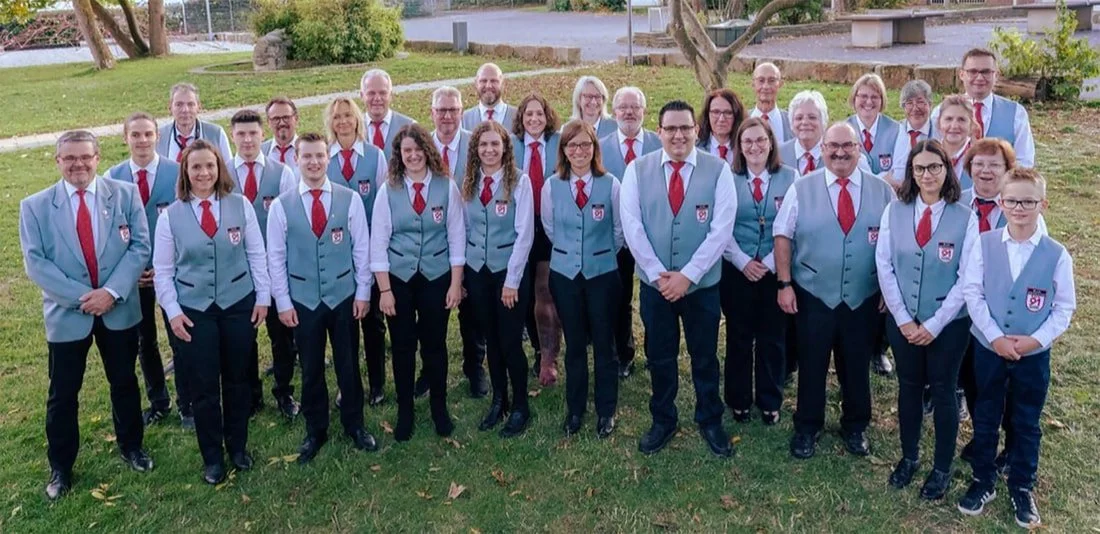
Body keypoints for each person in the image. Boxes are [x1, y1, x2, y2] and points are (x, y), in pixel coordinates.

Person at [20, 130, 154, 500]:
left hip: (118, 310)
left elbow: (140, 245)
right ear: (57, 161)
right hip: (68, 315)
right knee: (63, 394)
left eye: (85, 157)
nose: (78, 164)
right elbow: (36, 264)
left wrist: (111, 292)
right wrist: (84, 298)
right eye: (69, 158)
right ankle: (61, 467)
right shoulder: (35, 206)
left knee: (124, 382)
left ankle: (132, 447)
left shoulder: (124, 195)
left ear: (98, 157)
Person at [957, 168, 1075, 529]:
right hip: (989, 348)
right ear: (1001, 203)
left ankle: (1022, 485)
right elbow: (972, 292)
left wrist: (1035, 340)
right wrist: (994, 336)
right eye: (1012, 201)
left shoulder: (1057, 254)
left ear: (1043, 204)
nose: (1019, 208)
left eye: (1028, 201)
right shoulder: (985, 243)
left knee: (1026, 421)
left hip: (1032, 355)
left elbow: (1064, 307)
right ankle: (983, 480)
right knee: (987, 413)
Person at [620, 100, 736, 458]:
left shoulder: (719, 171)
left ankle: (710, 418)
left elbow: (721, 230)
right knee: (660, 354)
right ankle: (663, 418)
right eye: (670, 129)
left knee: (704, 355)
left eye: (685, 128)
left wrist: (688, 276)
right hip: (656, 287)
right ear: (659, 132)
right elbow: (632, 227)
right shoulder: (637, 171)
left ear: (696, 131)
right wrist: (658, 275)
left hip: (701, 286)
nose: (678, 135)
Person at [774, 122, 895, 460]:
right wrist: (784, 283)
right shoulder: (802, 188)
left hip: (862, 293)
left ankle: (855, 425)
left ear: (860, 149)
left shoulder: (882, 191)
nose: (840, 152)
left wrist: (888, 288)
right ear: (823, 149)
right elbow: (782, 235)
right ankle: (807, 427)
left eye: (848, 146)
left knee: (856, 362)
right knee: (812, 361)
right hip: (814, 291)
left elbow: (892, 243)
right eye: (833, 146)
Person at [153, 139, 269, 485]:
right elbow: (162, 271)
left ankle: (238, 447)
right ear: (185, 174)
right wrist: (173, 312)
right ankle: (213, 458)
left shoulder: (240, 205)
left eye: (209, 166)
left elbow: (257, 254)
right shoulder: (169, 217)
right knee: (204, 388)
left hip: (237, 304)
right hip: (194, 311)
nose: (204, 173)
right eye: (196, 167)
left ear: (219, 168)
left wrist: (262, 297)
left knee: (237, 381)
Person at [267, 132, 379, 463]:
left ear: (327, 160)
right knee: (311, 366)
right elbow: (276, 257)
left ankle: (355, 424)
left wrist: (363, 292)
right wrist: (283, 302)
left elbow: (362, 248)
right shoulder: (282, 206)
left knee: (348, 364)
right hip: (303, 300)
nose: (314, 162)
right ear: (295, 160)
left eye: (319, 156)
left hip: (343, 296)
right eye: (307, 157)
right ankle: (315, 429)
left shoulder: (349, 199)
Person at [876, 139, 978, 500]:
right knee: (909, 387)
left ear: (947, 170)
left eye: (935, 167)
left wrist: (934, 324)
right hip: (902, 320)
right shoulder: (895, 211)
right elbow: (884, 264)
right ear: (911, 173)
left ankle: (941, 467)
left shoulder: (966, 217)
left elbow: (968, 278)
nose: (927, 174)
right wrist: (903, 319)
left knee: (944, 390)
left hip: (948, 325)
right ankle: (909, 456)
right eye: (920, 168)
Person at [370, 124, 466, 441]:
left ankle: (439, 407)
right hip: (398, 278)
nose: (413, 156)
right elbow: (379, 242)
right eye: (406, 151)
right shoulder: (389, 189)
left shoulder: (445, 186)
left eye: (417, 149)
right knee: (402, 346)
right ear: (399, 156)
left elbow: (456, 236)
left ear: (428, 151)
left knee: (435, 345)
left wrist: (455, 283)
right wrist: (384, 290)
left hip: (437, 277)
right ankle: (405, 412)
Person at [106, 112, 187, 428]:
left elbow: (186, 221)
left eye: (148, 134)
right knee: (144, 341)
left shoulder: (176, 171)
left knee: (178, 335)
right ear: (125, 138)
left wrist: (166, 265)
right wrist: (131, 269)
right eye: (135, 135)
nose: (142, 141)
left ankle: (187, 403)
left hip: (172, 270)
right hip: (132, 276)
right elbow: (109, 229)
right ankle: (158, 400)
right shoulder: (112, 178)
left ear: (157, 136)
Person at [543, 120, 623, 439]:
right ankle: (575, 409)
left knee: (605, 343)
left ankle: (606, 410)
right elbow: (550, 227)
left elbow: (619, 231)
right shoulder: (552, 186)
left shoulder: (610, 184)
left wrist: (598, 253)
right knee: (575, 344)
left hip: (603, 273)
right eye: (572, 145)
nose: (579, 151)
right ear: (564, 150)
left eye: (585, 145)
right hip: (565, 275)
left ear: (594, 148)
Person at [721, 117, 796, 426]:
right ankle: (738, 399)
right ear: (739, 146)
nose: (754, 147)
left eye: (760, 140)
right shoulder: (726, 177)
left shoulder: (791, 177)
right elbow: (720, 227)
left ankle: (769, 399)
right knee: (738, 336)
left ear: (771, 142)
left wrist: (767, 262)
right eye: (747, 141)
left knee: (772, 337)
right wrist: (741, 261)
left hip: (774, 270)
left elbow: (794, 225)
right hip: (736, 269)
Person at [462, 121, 535, 437]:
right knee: (490, 338)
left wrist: (512, 281)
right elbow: (463, 228)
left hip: (509, 272)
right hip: (478, 271)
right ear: (475, 150)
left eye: (495, 144)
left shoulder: (519, 182)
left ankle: (520, 404)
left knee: (509, 340)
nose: (489, 150)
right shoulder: (467, 183)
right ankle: (499, 398)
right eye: (483, 145)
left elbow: (524, 234)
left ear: (505, 148)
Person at [228, 109, 300, 419]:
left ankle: (283, 392)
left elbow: (289, 224)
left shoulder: (281, 172)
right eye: (241, 134)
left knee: (282, 337)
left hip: (274, 269)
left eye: (253, 134)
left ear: (262, 135)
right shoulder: (221, 174)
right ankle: (251, 394)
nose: (247, 140)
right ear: (232, 136)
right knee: (244, 339)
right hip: (238, 273)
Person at [325, 96, 391, 406]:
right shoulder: (324, 158)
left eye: (348, 115)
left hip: (370, 252)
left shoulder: (375, 156)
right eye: (336, 116)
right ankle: (348, 384)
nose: (342, 121)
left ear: (357, 119)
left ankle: (377, 382)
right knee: (344, 325)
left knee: (373, 321)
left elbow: (383, 204)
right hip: (338, 255)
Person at [599, 86, 660, 379]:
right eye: (622, 107)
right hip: (617, 237)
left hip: (654, 236)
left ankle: (655, 350)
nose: (629, 112)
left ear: (644, 111)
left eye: (635, 107)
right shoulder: (600, 146)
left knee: (654, 297)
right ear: (613, 112)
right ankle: (623, 353)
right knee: (620, 297)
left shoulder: (659, 143)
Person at [430, 86, 487, 398]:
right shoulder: (422, 145)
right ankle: (429, 369)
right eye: (442, 110)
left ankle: (474, 366)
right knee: (432, 312)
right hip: (433, 242)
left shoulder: (476, 144)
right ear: (432, 113)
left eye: (453, 110)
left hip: (472, 236)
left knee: (472, 310)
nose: (448, 116)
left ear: (461, 111)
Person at [512, 92, 564, 386]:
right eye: (528, 114)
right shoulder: (510, 144)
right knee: (524, 292)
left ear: (548, 117)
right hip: (518, 225)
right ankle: (534, 346)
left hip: (548, 225)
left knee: (544, 292)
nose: (534, 119)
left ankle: (548, 358)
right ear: (520, 118)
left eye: (539, 114)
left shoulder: (558, 144)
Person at [932, 48, 1035, 168]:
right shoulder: (941, 113)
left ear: (996, 75)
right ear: (961, 74)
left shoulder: (1016, 113)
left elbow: (1025, 161)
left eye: (986, 72)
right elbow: (930, 156)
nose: (979, 78)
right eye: (973, 71)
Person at [781, 90, 873, 177]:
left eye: (812, 117)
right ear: (791, 123)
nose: (805, 122)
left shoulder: (847, 154)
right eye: (799, 118)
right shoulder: (778, 156)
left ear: (824, 121)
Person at [156, 82, 232, 163]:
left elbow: (228, 170)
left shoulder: (216, 134)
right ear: (170, 107)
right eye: (179, 104)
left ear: (199, 107)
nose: (185, 110)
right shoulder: (159, 136)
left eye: (190, 104)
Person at [846, 73, 901, 176]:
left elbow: (898, 173)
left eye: (875, 97)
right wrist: (883, 179)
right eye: (863, 96)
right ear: (854, 98)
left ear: (882, 100)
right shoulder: (842, 131)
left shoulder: (897, 130)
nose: (869, 102)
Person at [885, 80, 935, 190]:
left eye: (920, 102)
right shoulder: (894, 131)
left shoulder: (939, 132)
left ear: (930, 104)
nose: (915, 108)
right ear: (903, 107)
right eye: (909, 103)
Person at [360, 69, 416, 159]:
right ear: (362, 96)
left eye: (383, 93)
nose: (377, 98)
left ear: (391, 95)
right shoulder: (352, 128)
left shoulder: (410, 127)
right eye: (371, 93)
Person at [462, 62, 518, 131]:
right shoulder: (464, 119)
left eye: (494, 81)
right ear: (476, 84)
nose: (488, 86)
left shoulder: (518, 117)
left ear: (503, 84)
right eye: (483, 81)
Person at [697, 88, 746, 167]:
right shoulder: (696, 149)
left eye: (728, 113)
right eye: (716, 112)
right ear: (707, 115)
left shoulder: (746, 148)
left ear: (736, 116)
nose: (721, 119)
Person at [749, 62, 793, 145]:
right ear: (753, 84)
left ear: (780, 84)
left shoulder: (792, 122)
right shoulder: (741, 120)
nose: (766, 86)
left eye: (771, 81)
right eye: (761, 80)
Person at [937, 94, 975, 191]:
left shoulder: (979, 157)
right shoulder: (928, 154)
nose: (954, 126)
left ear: (971, 125)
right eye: (948, 119)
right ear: (939, 123)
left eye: (961, 120)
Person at [263, 96, 301, 170]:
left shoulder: (309, 150)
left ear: (296, 119)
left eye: (286, 117)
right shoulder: (261, 152)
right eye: (276, 119)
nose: (282, 123)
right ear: (268, 122)